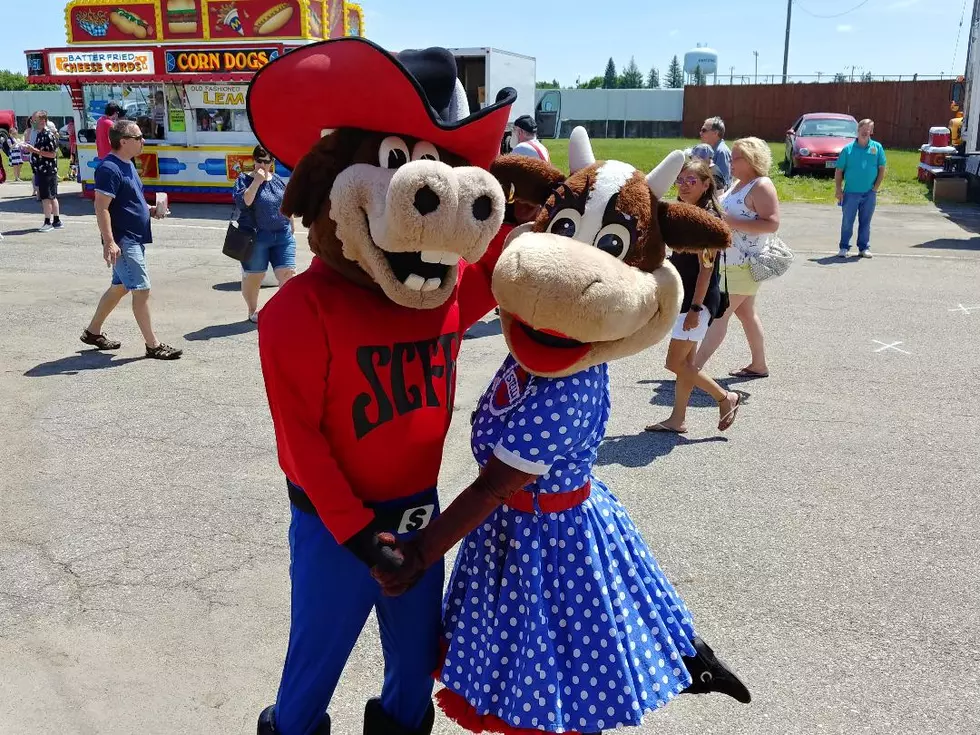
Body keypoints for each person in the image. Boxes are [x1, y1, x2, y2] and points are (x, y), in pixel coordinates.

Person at [646, 158, 740, 434]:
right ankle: (678, 419)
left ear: (706, 184)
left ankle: (725, 397)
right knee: (687, 364)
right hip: (686, 296)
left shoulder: (706, 219)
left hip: (697, 300)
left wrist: (696, 308)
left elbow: (705, 271)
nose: (684, 185)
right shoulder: (686, 211)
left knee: (673, 363)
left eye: (692, 181)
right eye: (681, 180)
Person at [80, 119, 182, 360]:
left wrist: (151, 210)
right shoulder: (109, 168)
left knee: (120, 287)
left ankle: (93, 332)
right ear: (123, 141)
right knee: (142, 289)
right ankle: (153, 345)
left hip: (133, 238)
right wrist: (109, 241)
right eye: (138, 138)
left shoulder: (127, 164)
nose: (143, 141)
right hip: (124, 241)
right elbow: (101, 207)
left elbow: (129, 201)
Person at [694, 137, 779, 379]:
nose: (731, 161)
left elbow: (772, 223)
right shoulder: (739, 184)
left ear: (752, 159)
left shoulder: (761, 185)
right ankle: (759, 365)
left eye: (736, 157)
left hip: (745, 263)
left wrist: (730, 222)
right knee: (746, 314)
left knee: (720, 314)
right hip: (730, 261)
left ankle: (693, 367)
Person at [232, 145, 296, 322]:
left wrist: (291, 221)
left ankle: (284, 310)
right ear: (254, 160)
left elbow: (285, 202)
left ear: (272, 162)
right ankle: (253, 310)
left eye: (266, 161)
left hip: (282, 234)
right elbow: (244, 201)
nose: (262, 165)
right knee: (255, 275)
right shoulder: (244, 180)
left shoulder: (276, 179)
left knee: (288, 273)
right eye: (258, 161)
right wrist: (256, 182)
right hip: (256, 236)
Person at [835, 118, 886, 259]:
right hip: (850, 192)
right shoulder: (847, 150)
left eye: (869, 130)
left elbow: (882, 168)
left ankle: (864, 248)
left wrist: (875, 188)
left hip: (869, 193)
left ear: (872, 131)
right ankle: (844, 247)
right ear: (857, 131)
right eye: (863, 129)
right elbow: (839, 171)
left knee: (865, 222)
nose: (866, 132)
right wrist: (838, 190)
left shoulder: (877, 148)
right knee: (847, 221)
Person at [21, 111, 62, 231]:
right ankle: (57, 220)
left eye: (35, 120)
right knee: (52, 196)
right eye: (32, 120)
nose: (32, 123)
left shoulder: (48, 135)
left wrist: (35, 151)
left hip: (47, 170)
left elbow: (52, 154)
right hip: (43, 169)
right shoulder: (40, 134)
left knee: (46, 197)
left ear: (43, 121)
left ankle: (47, 222)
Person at [699, 116, 732, 190]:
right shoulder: (708, 149)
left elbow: (723, 183)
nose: (700, 133)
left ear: (715, 133)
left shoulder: (721, 152)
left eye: (704, 130)